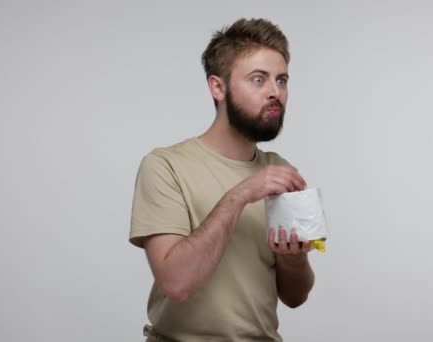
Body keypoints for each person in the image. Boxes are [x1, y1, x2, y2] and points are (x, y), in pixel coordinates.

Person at [129, 17, 315, 341]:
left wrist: (295, 260)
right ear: (218, 87)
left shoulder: (281, 170)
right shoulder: (164, 167)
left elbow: (295, 297)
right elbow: (176, 283)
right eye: (259, 79)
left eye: (282, 80)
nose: (275, 92)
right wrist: (241, 194)